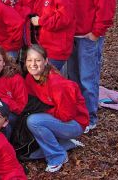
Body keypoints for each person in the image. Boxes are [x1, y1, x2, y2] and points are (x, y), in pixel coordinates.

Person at [66, 0, 116, 133]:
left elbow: (107, 7)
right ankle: (79, 114)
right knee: (74, 79)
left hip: (88, 37)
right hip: (72, 37)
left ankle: (90, 118)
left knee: (88, 79)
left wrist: (96, 33)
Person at [24, 44, 89, 172]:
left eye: (38, 60)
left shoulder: (56, 83)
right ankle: (65, 143)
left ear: (46, 61)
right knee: (31, 118)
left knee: (34, 121)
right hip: (57, 119)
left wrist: (44, 110)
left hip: (75, 123)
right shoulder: (29, 78)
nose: (33, 64)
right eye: (30, 60)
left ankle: (57, 156)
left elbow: (66, 115)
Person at [30, 0, 75, 70]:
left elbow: (64, 19)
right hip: (43, 47)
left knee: (47, 80)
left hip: (57, 49)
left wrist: (40, 21)